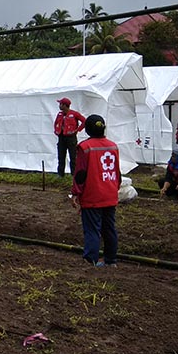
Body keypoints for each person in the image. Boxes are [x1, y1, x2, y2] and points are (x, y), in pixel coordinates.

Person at [71, 114, 120, 267]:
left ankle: (89, 260)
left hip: (93, 195)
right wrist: (115, 188)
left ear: (87, 129)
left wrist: (76, 193)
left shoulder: (85, 148)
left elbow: (80, 174)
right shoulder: (113, 146)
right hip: (110, 194)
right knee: (109, 228)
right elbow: (117, 173)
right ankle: (111, 260)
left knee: (92, 229)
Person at [53, 97, 86, 178]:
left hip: (71, 138)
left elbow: (84, 121)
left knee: (73, 156)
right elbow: (56, 123)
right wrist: (56, 131)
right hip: (61, 137)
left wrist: (77, 130)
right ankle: (60, 173)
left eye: (61, 104)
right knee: (61, 156)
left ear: (65, 105)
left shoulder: (74, 114)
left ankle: (73, 174)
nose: (59, 106)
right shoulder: (59, 114)